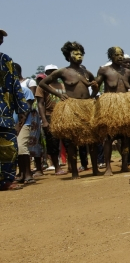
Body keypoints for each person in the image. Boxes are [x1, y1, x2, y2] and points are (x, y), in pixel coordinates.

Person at [39, 41, 100, 179]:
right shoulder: (63, 71)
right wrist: (59, 94)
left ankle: (95, 168)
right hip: (72, 106)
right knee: (72, 140)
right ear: (68, 55)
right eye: (75, 53)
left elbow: (94, 90)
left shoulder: (87, 72)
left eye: (80, 54)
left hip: (88, 106)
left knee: (93, 138)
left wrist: (95, 90)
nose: (79, 56)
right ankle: (74, 172)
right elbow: (43, 83)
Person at [95, 46, 130, 176]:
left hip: (125, 107)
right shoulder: (104, 70)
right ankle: (108, 167)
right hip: (111, 106)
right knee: (109, 137)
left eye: (121, 54)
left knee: (126, 138)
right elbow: (97, 83)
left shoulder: (127, 72)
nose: (120, 57)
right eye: (117, 54)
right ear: (110, 56)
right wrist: (94, 85)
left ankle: (124, 165)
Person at [0, 29, 30, 191]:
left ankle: (6, 180)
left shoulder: (6, 60)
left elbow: (15, 86)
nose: (0, 39)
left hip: (4, 113)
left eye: (1, 37)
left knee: (10, 148)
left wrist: (22, 110)